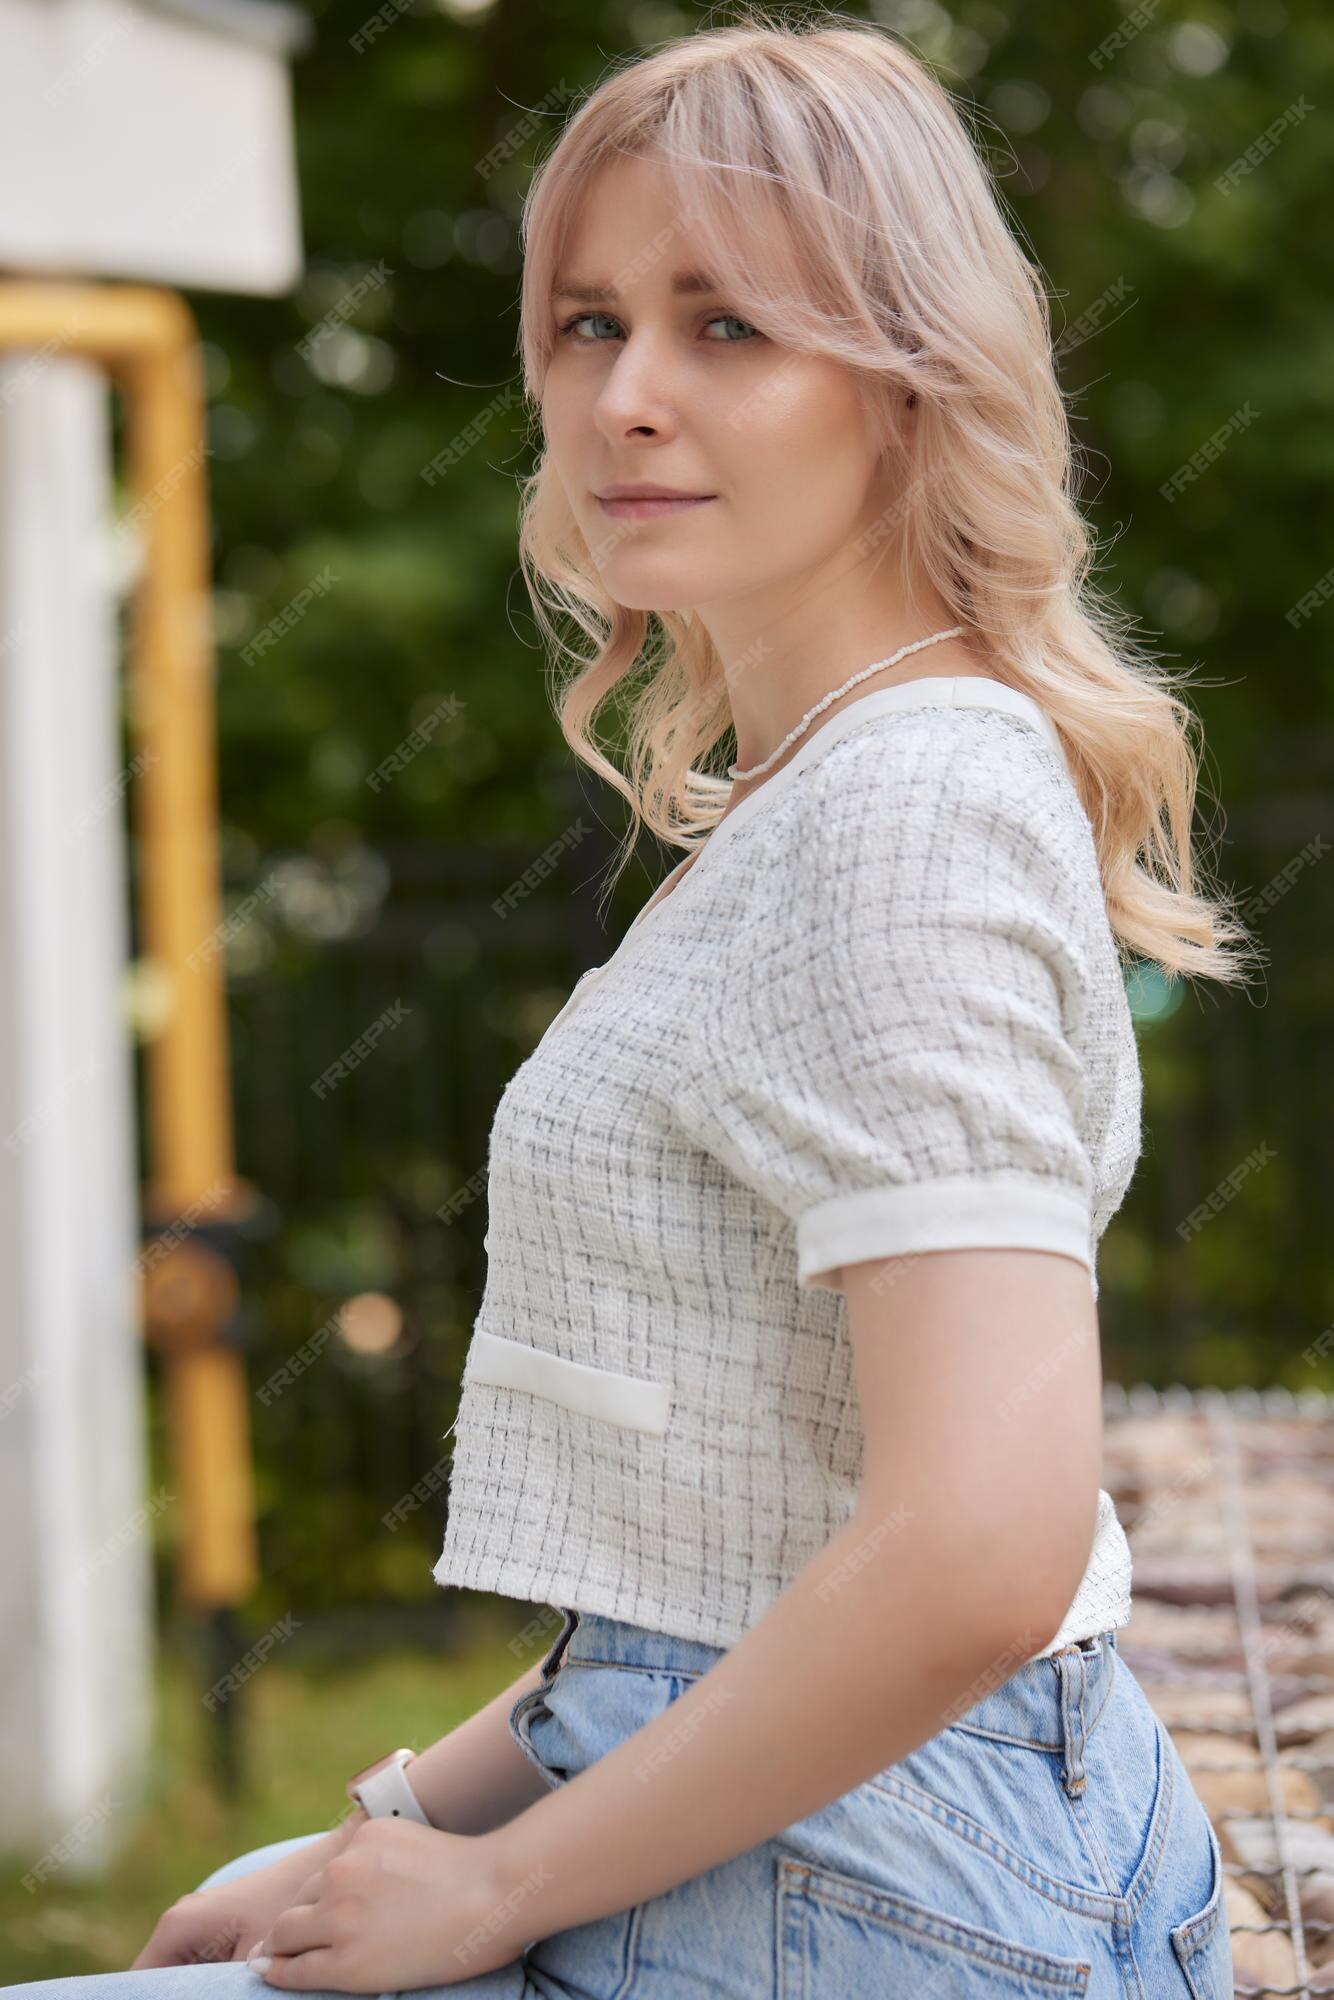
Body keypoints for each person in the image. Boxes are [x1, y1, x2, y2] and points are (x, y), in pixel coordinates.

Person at [18, 11, 1257, 1997]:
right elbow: (733, 1570)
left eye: (726, 328)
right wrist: (407, 1824)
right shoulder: (819, 789)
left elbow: (978, 1545)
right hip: (796, 1831)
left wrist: (499, 1889)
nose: (625, 401)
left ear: (908, 382)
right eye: (589, 324)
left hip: (867, 1887)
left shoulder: (904, 811)